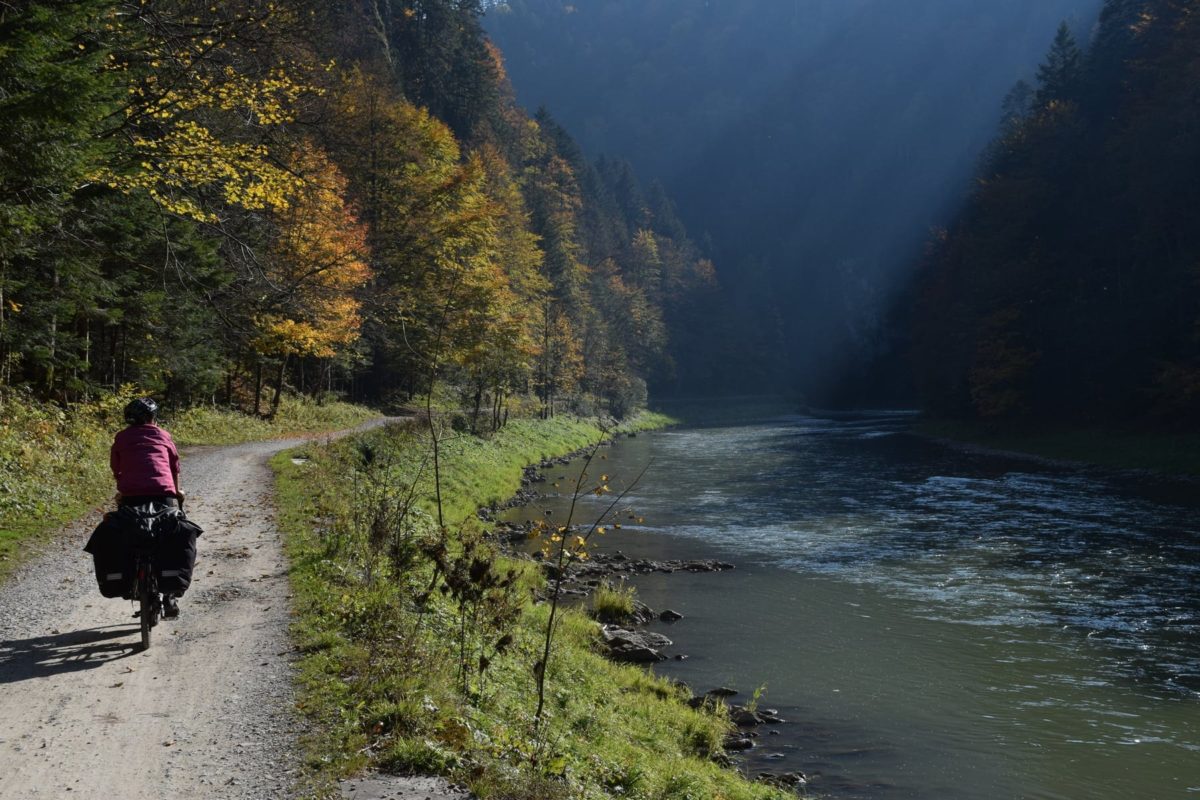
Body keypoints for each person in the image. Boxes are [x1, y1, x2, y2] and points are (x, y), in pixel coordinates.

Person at [110, 397, 184, 618]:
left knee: (127, 534)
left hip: (131, 497)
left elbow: (117, 468)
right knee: (173, 536)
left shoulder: (121, 437)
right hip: (164, 494)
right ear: (153, 417)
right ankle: (170, 594)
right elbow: (174, 467)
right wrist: (178, 493)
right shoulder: (163, 435)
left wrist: (123, 490)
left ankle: (132, 580)